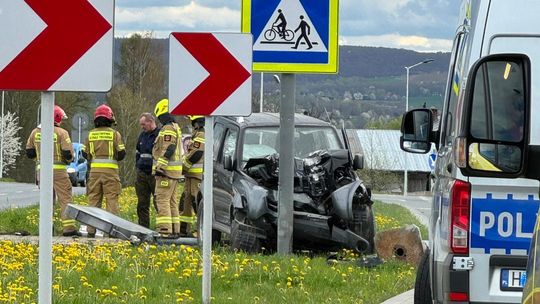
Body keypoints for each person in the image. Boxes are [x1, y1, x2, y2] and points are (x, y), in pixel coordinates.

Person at [25, 105, 78, 236]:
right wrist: (70, 159)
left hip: (41, 172)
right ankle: (69, 228)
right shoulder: (61, 133)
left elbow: (30, 152)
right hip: (59, 172)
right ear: (57, 117)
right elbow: (67, 153)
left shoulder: (35, 132)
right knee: (65, 199)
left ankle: (46, 229)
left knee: (46, 200)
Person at [82, 104, 126, 237]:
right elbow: (122, 153)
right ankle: (111, 232)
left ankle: (91, 231)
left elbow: (85, 154)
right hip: (111, 173)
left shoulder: (90, 134)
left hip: (94, 172)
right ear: (109, 119)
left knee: (93, 200)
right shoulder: (114, 134)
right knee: (111, 200)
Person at [152, 99, 183, 237]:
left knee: (162, 199)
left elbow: (168, 147)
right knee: (172, 201)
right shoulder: (176, 127)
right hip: (174, 172)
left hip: (166, 171)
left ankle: (164, 230)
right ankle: (175, 229)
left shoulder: (168, 128)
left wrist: (160, 167)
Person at [179, 115, 205, 236]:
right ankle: (183, 230)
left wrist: (184, 167)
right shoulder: (197, 134)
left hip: (196, 176)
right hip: (190, 176)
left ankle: (202, 230)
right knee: (186, 202)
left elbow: (197, 153)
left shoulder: (201, 134)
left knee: (196, 202)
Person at [135, 113, 160, 228]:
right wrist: (138, 167)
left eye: (144, 124)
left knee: (159, 203)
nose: (142, 127)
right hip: (142, 173)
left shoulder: (159, 135)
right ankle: (143, 228)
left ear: (150, 122)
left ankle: (162, 227)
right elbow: (137, 153)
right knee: (142, 204)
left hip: (154, 174)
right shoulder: (142, 136)